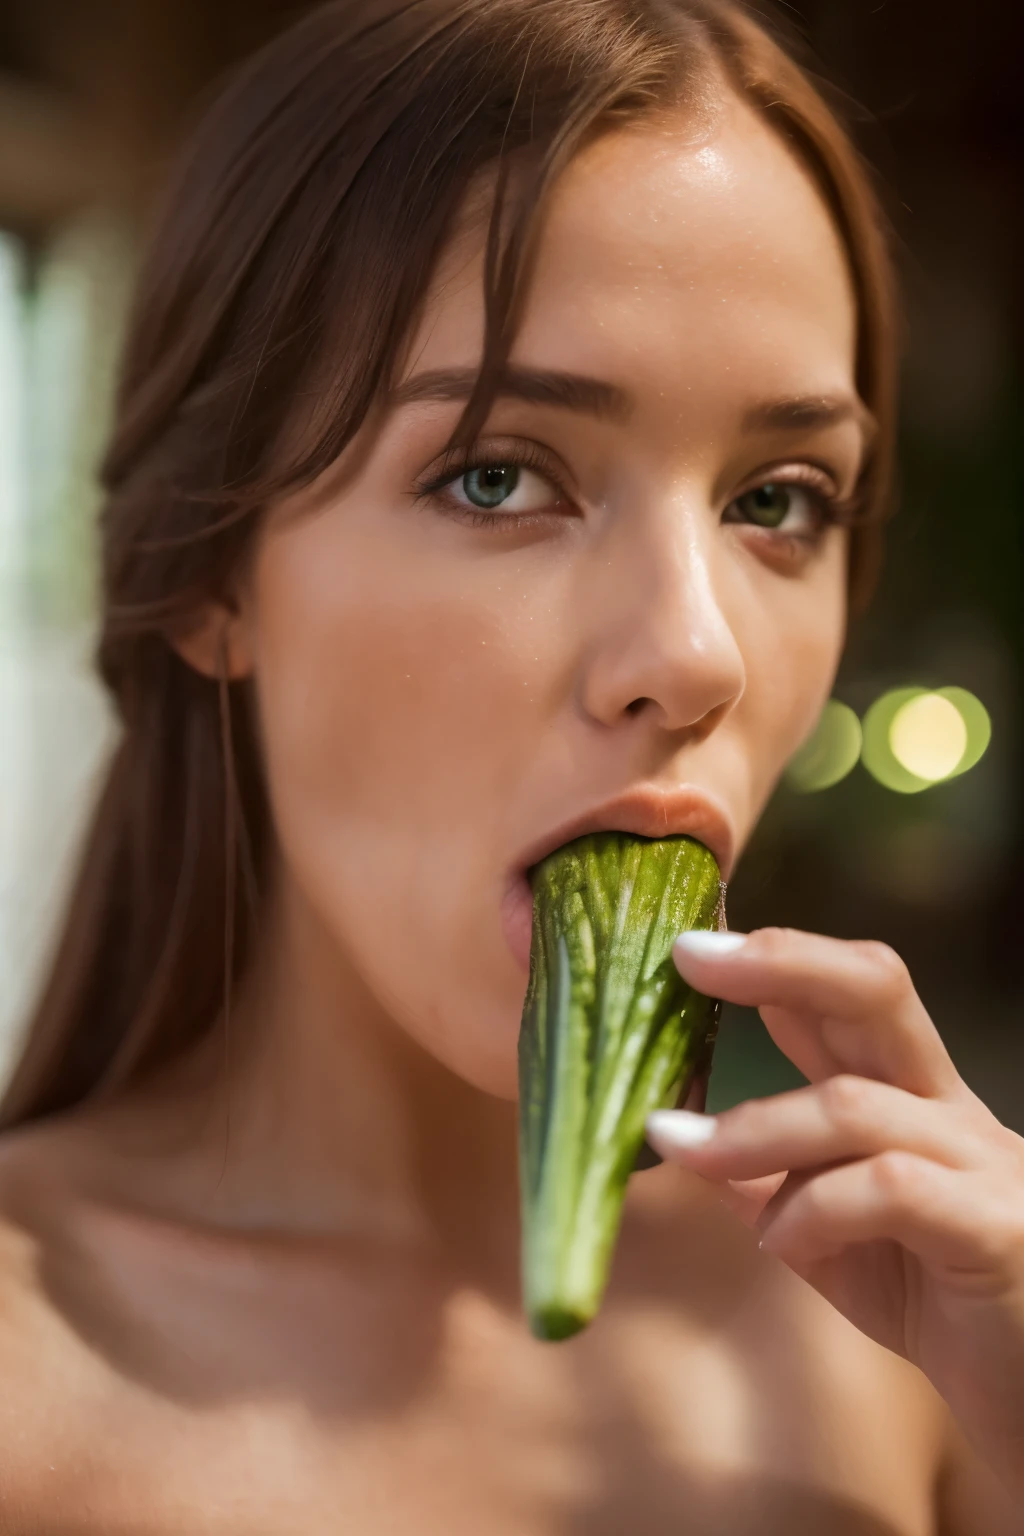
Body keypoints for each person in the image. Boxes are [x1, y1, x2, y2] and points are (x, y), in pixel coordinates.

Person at [0, 0, 1020, 1529]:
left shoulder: (919, 1348)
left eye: (781, 500)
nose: (698, 655)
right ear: (213, 574)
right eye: (497, 475)